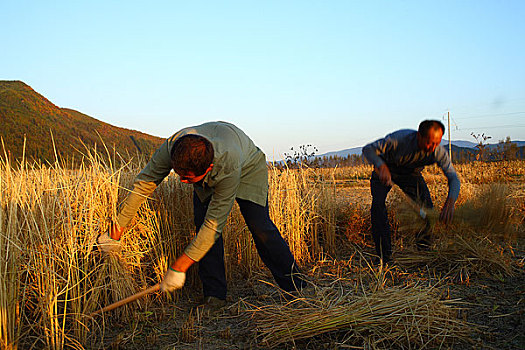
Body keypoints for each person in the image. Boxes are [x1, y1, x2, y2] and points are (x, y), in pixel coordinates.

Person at [97, 121, 305, 308]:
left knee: (260, 227)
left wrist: (178, 268)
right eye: (179, 175)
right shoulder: (173, 147)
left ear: (210, 169)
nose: (182, 182)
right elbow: (143, 184)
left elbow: (213, 227)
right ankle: (214, 296)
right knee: (200, 224)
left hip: (249, 166)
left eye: (187, 178)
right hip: (213, 160)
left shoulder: (228, 164)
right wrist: (117, 230)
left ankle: (297, 287)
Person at [362, 120, 460, 264]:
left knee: (427, 210)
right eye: (429, 143)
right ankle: (384, 257)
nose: (433, 147)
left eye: (437, 143)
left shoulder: (437, 152)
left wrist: (451, 201)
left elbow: (453, 178)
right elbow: (368, 149)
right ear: (419, 136)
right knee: (378, 207)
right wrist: (381, 165)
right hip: (384, 171)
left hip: (411, 174)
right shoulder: (398, 139)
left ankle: (424, 252)